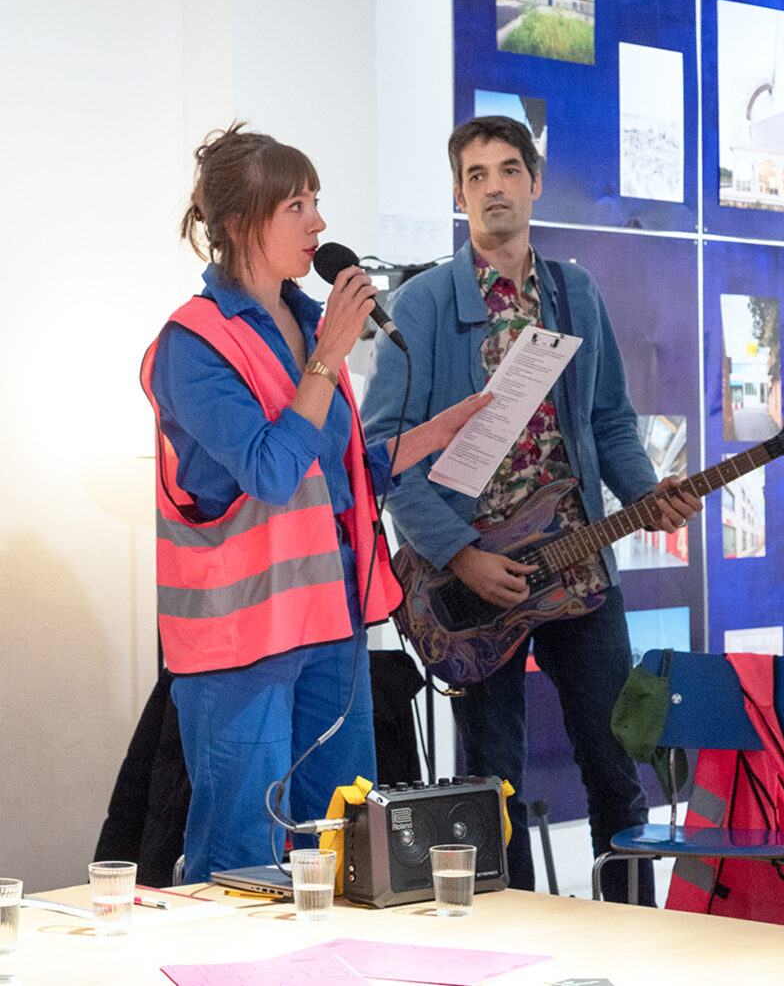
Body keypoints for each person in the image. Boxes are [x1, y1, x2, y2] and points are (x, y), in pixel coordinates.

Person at [361, 115, 702, 901]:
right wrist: (459, 554)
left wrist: (645, 493)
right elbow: (385, 451)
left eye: (509, 169)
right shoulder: (419, 306)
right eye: (476, 175)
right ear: (458, 195)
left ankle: (634, 927)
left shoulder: (575, 293)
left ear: (535, 182)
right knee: (493, 785)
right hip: (475, 580)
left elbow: (609, 420)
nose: (494, 188)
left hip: (577, 563)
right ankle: (513, 937)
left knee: (616, 769)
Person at [141, 124, 488, 882]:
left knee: (340, 846)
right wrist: (330, 355)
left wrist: (437, 433)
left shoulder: (304, 321)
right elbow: (270, 471)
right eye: (296, 205)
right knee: (242, 857)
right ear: (241, 224)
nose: (319, 223)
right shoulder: (192, 344)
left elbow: (336, 476)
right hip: (242, 639)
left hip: (332, 620)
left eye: (316, 201)